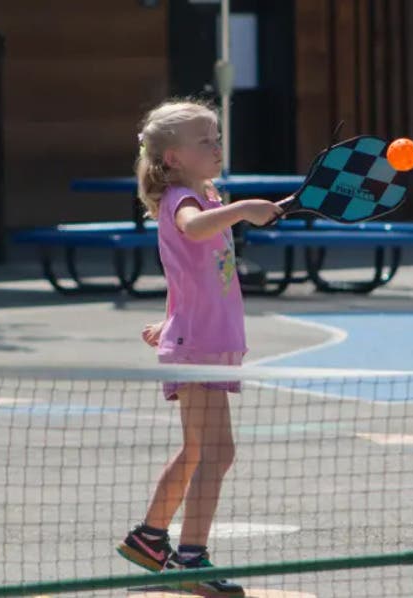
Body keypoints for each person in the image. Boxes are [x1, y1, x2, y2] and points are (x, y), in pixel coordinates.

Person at [117, 99, 284, 596]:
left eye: (217, 137)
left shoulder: (206, 195)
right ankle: (191, 559)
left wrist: (169, 319)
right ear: (172, 159)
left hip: (200, 339)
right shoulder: (184, 203)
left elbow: (184, 271)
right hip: (200, 348)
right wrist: (245, 210)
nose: (216, 146)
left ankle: (149, 539)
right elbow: (191, 231)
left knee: (197, 450)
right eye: (204, 141)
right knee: (218, 452)